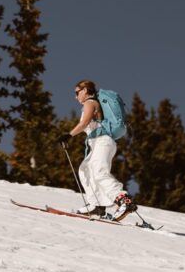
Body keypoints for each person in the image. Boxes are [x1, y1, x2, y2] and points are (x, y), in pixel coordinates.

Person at [58, 79, 136, 221]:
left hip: (102, 141)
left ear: (85, 90)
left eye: (77, 92)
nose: (76, 97)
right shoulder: (91, 103)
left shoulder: (90, 102)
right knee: (85, 170)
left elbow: (85, 122)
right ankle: (97, 206)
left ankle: (123, 200)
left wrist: (68, 135)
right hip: (97, 143)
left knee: (99, 171)